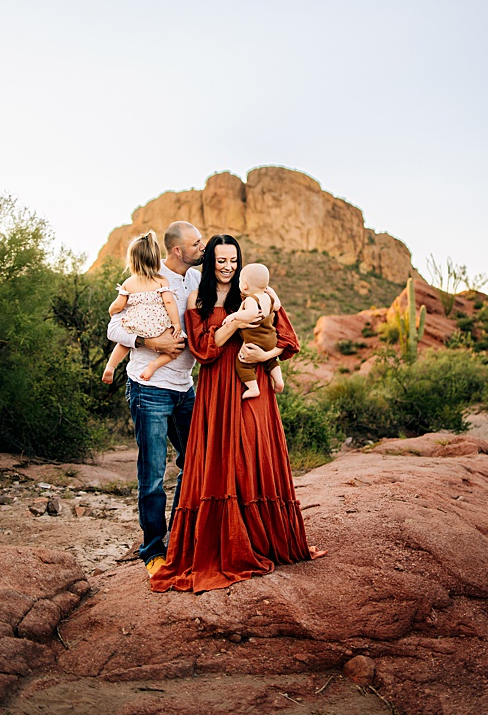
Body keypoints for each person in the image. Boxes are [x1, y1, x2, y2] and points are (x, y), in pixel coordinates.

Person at [150, 234, 325, 593]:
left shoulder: (257, 294)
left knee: (252, 452)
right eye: (220, 261)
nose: (228, 267)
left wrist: (265, 357)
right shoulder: (198, 300)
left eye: (233, 260)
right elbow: (203, 349)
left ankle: (263, 541)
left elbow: (288, 340)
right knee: (224, 459)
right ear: (210, 262)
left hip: (253, 387)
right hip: (217, 389)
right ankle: (226, 542)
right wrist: (232, 323)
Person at [106, 221, 205, 575]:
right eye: (196, 244)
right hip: (149, 388)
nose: (202, 248)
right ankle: (152, 550)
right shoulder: (149, 275)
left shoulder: (195, 280)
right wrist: (152, 343)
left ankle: (178, 536)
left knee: (196, 459)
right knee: (152, 474)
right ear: (177, 250)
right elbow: (114, 327)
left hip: (185, 387)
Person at [101, 231, 183, 385]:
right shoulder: (160, 280)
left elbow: (118, 305)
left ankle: (111, 366)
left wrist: (111, 311)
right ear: (156, 259)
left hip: (137, 323)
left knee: (125, 342)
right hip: (158, 325)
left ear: (132, 261)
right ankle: (154, 365)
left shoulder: (128, 283)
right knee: (178, 344)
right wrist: (176, 324)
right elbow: (169, 302)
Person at [224, 262, 285, 399]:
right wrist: (273, 293)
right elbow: (277, 306)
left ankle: (253, 388)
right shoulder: (268, 298)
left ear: (244, 285)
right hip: (270, 340)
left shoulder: (251, 299)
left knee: (242, 364)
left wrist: (234, 316)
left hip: (255, 341)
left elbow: (251, 314)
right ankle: (279, 381)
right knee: (270, 361)